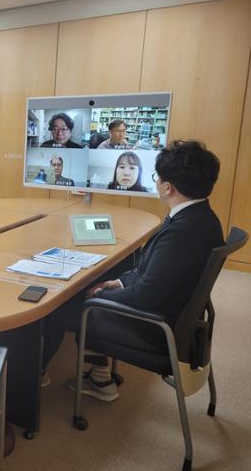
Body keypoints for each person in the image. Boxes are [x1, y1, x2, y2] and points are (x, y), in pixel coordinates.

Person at [42, 140, 224, 401]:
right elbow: (156, 276)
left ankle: (38, 374)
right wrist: (120, 283)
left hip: (156, 328)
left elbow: (144, 296)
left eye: (157, 177)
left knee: (60, 308)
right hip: (177, 317)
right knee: (102, 285)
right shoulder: (203, 219)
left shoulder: (182, 232)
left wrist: (101, 295)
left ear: (167, 187)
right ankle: (100, 374)